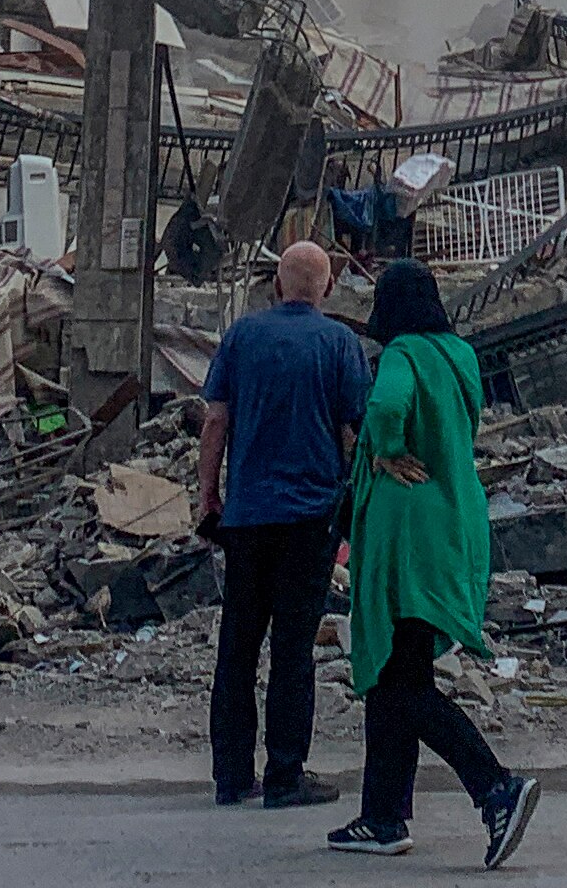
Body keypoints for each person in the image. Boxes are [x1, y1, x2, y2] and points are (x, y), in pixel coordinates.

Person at [328, 258, 543, 866]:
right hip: (456, 520)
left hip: (408, 531)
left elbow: (387, 406)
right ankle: (382, 817)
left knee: (400, 682)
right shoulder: (459, 355)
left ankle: (496, 788)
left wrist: (387, 451)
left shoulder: (402, 355)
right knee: (397, 678)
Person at [196, 238, 366, 808]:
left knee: (238, 646)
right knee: (293, 649)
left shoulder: (242, 336)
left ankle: (230, 777)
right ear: (329, 289)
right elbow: (355, 433)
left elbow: (215, 421)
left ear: (276, 285)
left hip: (247, 517)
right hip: (311, 519)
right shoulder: (341, 343)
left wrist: (208, 496)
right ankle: (286, 775)